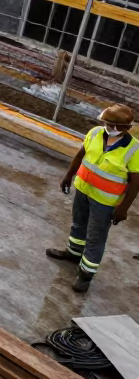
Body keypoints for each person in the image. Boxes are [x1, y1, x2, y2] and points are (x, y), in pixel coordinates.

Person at [46, 104, 139, 292]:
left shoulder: (134, 149)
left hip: (105, 201)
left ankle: (86, 274)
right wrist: (68, 176)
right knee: (78, 224)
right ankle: (73, 254)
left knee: (96, 237)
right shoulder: (95, 133)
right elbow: (81, 154)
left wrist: (123, 208)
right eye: (108, 123)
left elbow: (136, 181)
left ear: (128, 127)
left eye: (116, 126)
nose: (110, 128)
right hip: (83, 190)